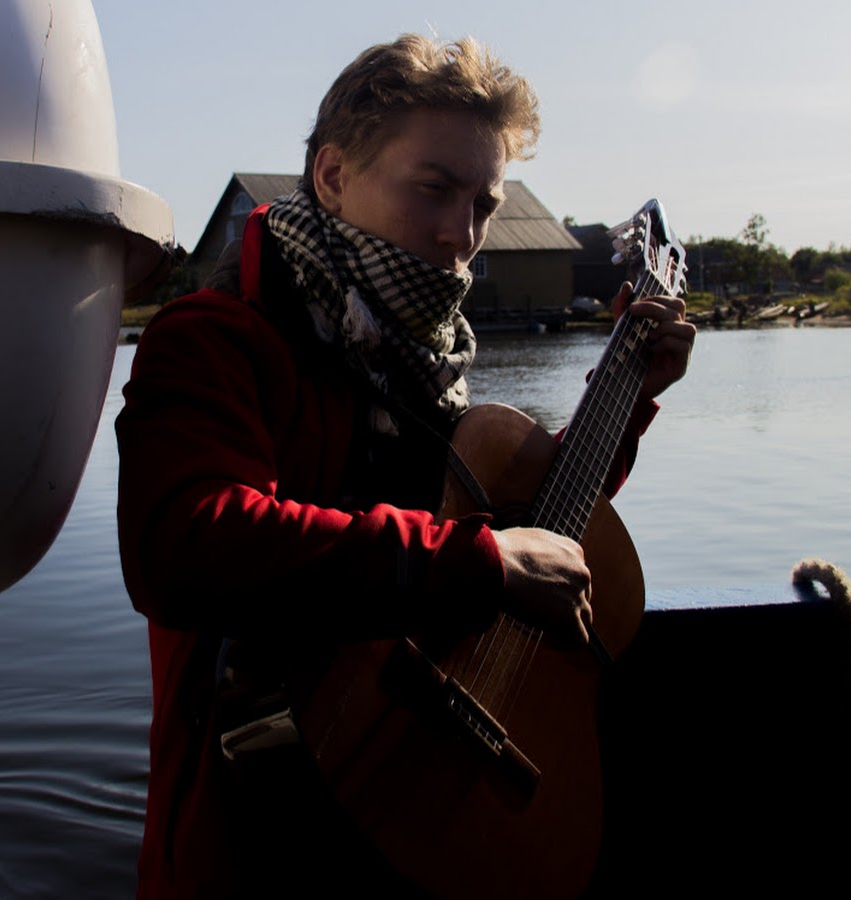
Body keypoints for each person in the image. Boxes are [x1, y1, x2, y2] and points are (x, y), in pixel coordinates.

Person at [116, 34, 695, 899]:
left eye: (483, 204)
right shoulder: (212, 340)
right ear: (333, 175)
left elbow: (525, 535)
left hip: (409, 793)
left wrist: (625, 400)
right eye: (433, 189)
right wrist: (479, 562)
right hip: (248, 842)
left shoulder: (423, 360)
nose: (460, 236)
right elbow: (183, 543)